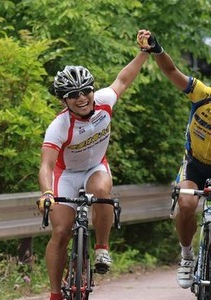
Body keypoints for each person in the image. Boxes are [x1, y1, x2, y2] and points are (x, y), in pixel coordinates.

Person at [137, 29, 211, 300]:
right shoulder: (201, 95)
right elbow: (172, 72)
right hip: (194, 164)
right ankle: (186, 255)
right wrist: (158, 50)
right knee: (187, 204)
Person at [36, 48, 149, 300]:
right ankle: (55, 293)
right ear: (63, 100)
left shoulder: (104, 101)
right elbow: (46, 166)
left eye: (86, 91)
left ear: (92, 90)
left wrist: (145, 52)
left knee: (101, 192)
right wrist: (46, 192)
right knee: (61, 232)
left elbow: (123, 79)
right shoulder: (59, 126)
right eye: (73, 95)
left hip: (95, 167)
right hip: (65, 174)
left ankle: (101, 248)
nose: (82, 98)